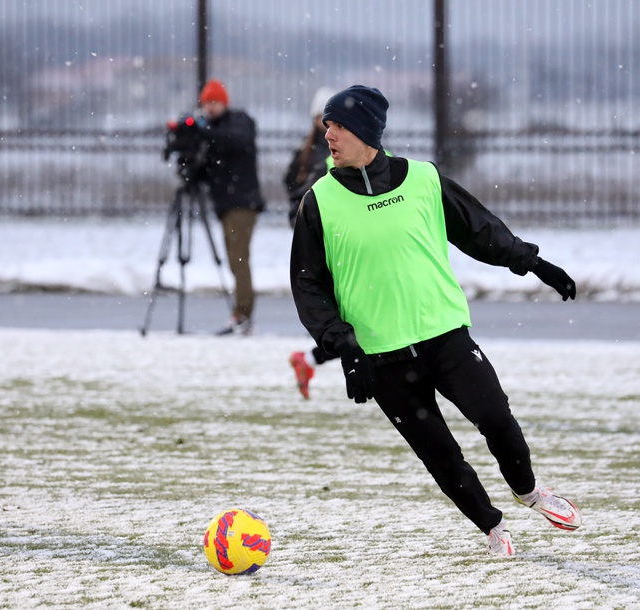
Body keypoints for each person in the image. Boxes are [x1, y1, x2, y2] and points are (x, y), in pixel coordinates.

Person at [289, 85, 583, 556]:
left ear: (366, 132)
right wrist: (344, 348)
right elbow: (309, 286)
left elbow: (479, 229)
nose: (329, 133)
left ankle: (530, 492)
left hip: (445, 338)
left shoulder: (423, 179)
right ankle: (492, 527)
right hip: (381, 359)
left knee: (496, 418)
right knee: (441, 455)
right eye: (327, 123)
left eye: (339, 124)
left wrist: (532, 263)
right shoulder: (318, 201)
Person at [198, 79, 266, 336]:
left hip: (241, 203)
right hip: (226, 203)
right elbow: (207, 170)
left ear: (224, 102)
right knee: (234, 260)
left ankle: (243, 315)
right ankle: (241, 314)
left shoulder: (239, 122)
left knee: (239, 260)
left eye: (215, 102)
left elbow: (236, 141)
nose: (211, 108)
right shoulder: (212, 131)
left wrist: (204, 133)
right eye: (207, 103)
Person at [284, 87, 337, 398]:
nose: (329, 128)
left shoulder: (345, 150)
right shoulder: (314, 157)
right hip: (327, 243)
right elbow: (294, 191)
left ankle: (309, 359)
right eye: (322, 118)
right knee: (355, 321)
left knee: (354, 321)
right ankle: (312, 358)